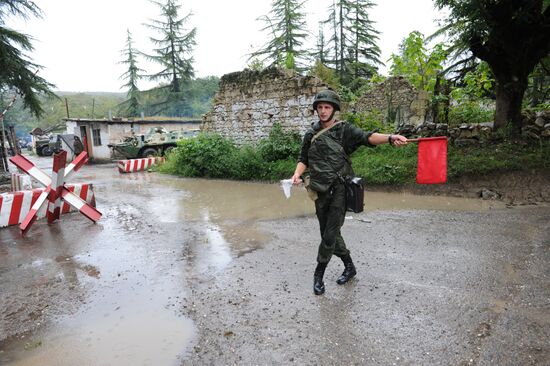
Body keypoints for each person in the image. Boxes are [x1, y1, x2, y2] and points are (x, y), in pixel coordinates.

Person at [290, 89, 408, 295]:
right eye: (320, 107)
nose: (323, 111)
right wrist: (297, 174)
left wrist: (390, 138)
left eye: (327, 107)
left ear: (334, 109)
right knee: (329, 233)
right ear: (316, 110)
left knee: (329, 234)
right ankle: (350, 266)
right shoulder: (310, 134)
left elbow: (367, 137)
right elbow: (304, 159)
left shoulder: (344, 130)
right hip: (319, 190)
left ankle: (318, 274)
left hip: (340, 190)